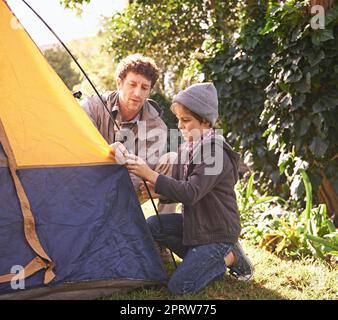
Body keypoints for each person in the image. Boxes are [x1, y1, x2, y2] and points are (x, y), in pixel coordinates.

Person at [121, 82, 254, 295]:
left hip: (217, 232)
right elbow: (179, 184)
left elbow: (190, 193)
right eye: (179, 120)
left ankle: (231, 256)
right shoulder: (188, 147)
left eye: (187, 120)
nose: (181, 126)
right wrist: (157, 190)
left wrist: (149, 173)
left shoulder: (215, 153)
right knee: (153, 225)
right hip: (197, 225)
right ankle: (201, 257)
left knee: (179, 287)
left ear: (206, 122)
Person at [81, 54, 169, 199]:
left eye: (144, 87)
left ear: (149, 91)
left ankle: (163, 221)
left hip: (126, 191)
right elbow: (79, 146)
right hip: (88, 181)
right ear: (119, 83)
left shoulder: (156, 126)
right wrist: (107, 152)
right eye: (132, 84)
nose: (137, 93)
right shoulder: (93, 105)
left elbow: (139, 176)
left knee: (170, 162)